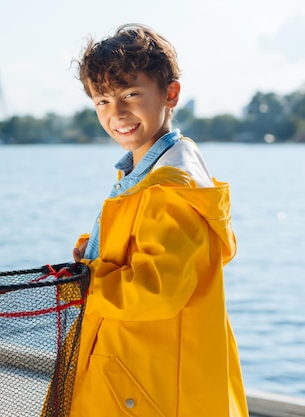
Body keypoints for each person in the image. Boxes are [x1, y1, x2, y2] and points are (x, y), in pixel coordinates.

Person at [67, 24, 248, 416]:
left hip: (146, 391)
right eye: (102, 101)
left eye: (131, 94)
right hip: (132, 376)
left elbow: (157, 290)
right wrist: (94, 250)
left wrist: (83, 286)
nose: (116, 113)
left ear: (170, 94)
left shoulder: (169, 189)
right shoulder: (142, 175)